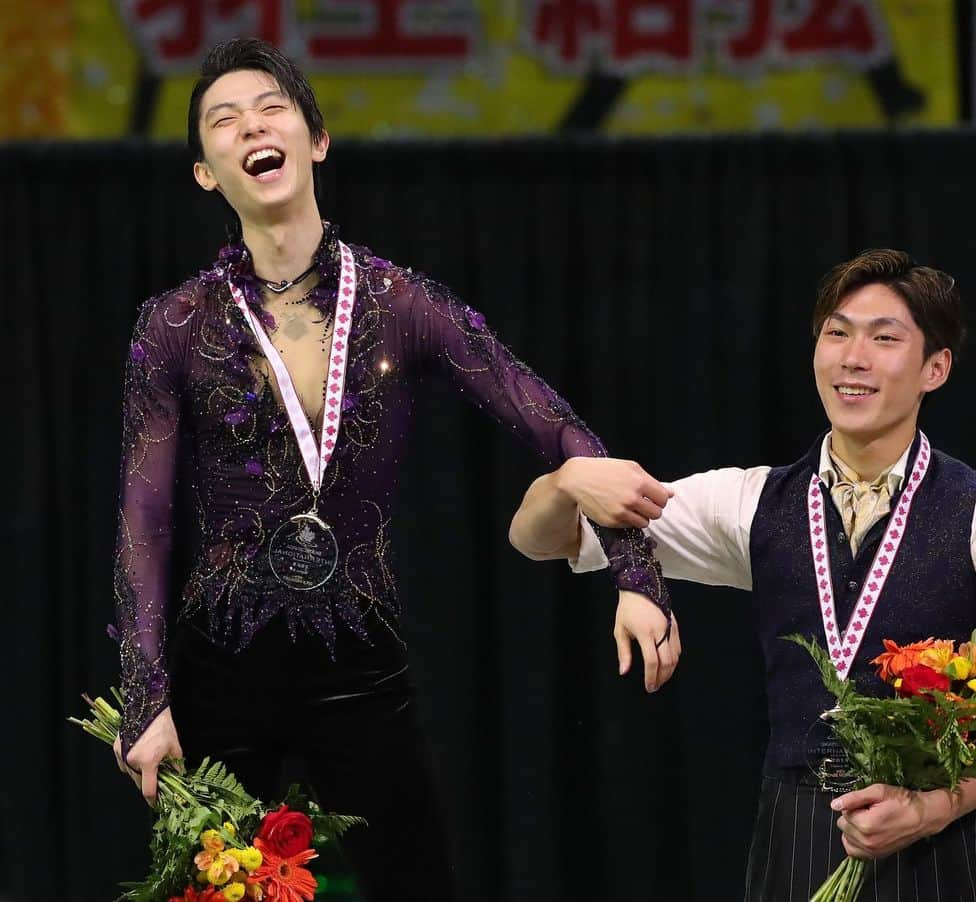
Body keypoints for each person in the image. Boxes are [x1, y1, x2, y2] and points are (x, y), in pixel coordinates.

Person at [109, 37, 677, 900]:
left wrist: (637, 575)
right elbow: (144, 523)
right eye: (224, 122)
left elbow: (552, 425)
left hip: (360, 668)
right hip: (218, 670)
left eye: (271, 108)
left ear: (317, 139)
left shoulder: (401, 303)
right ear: (204, 174)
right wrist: (147, 699)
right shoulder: (174, 325)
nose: (251, 127)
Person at [509, 249, 976, 900]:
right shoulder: (750, 501)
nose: (852, 358)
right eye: (837, 332)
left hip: (938, 846)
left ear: (934, 367)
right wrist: (565, 480)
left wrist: (928, 810)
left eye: (884, 338)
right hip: (793, 835)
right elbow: (540, 542)